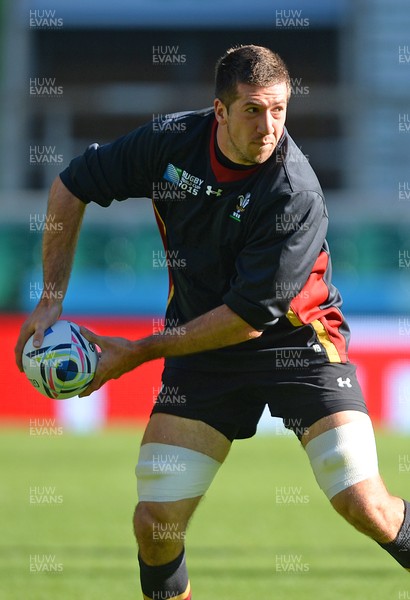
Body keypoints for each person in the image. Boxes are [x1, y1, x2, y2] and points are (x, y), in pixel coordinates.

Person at [15, 45, 409, 598]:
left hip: (297, 345)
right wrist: (50, 299)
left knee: (366, 506)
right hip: (203, 349)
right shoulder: (168, 143)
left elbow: (248, 319)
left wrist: (136, 352)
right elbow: (71, 187)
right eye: (252, 110)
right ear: (219, 112)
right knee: (155, 525)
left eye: (279, 110)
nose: (268, 126)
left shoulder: (293, 192)